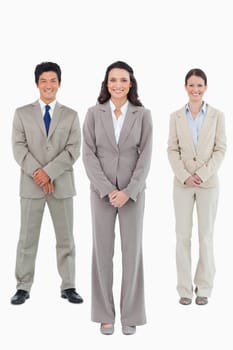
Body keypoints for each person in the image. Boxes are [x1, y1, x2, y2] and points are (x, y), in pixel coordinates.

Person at [82, 61, 152, 335]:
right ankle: (104, 314)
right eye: (113, 80)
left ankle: (132, 314)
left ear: (131, 83)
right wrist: (107, 189)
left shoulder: (143, 115)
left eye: (123, 80)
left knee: (132, 252)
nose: (118, 85)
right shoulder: (93, 114)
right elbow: (88, 154)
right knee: (102, 252)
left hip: (133, 195)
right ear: (106, 83)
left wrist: (129, 191)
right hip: (102, 194)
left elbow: (145, 157)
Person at [11, 61, 83, 305]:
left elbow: (73, 150)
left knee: (66, 239)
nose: (48, 85)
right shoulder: (21, 113)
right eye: (44, 81)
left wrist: (49, 173)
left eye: (53, 80)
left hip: (61, 185)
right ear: (36, 84)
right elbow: (18, 148)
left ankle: (69, 285)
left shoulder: (72, 116)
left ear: (59, 84)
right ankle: (23, 286)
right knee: (26, 239)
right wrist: (38, 174)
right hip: (31, 186)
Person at [167, 68, 226, 306]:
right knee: (182, 236)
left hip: (208, 184)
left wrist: (201, 174)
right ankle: (184, 289)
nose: (195, 89)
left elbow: (220, 149)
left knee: (206, 237)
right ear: (185, 87)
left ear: (206, 87)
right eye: (191, 85)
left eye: (199, 85)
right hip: (182, 184)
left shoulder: (217, 115)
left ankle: (204, 287)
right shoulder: (176, 116)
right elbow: (172, 148)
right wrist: (184, 175)